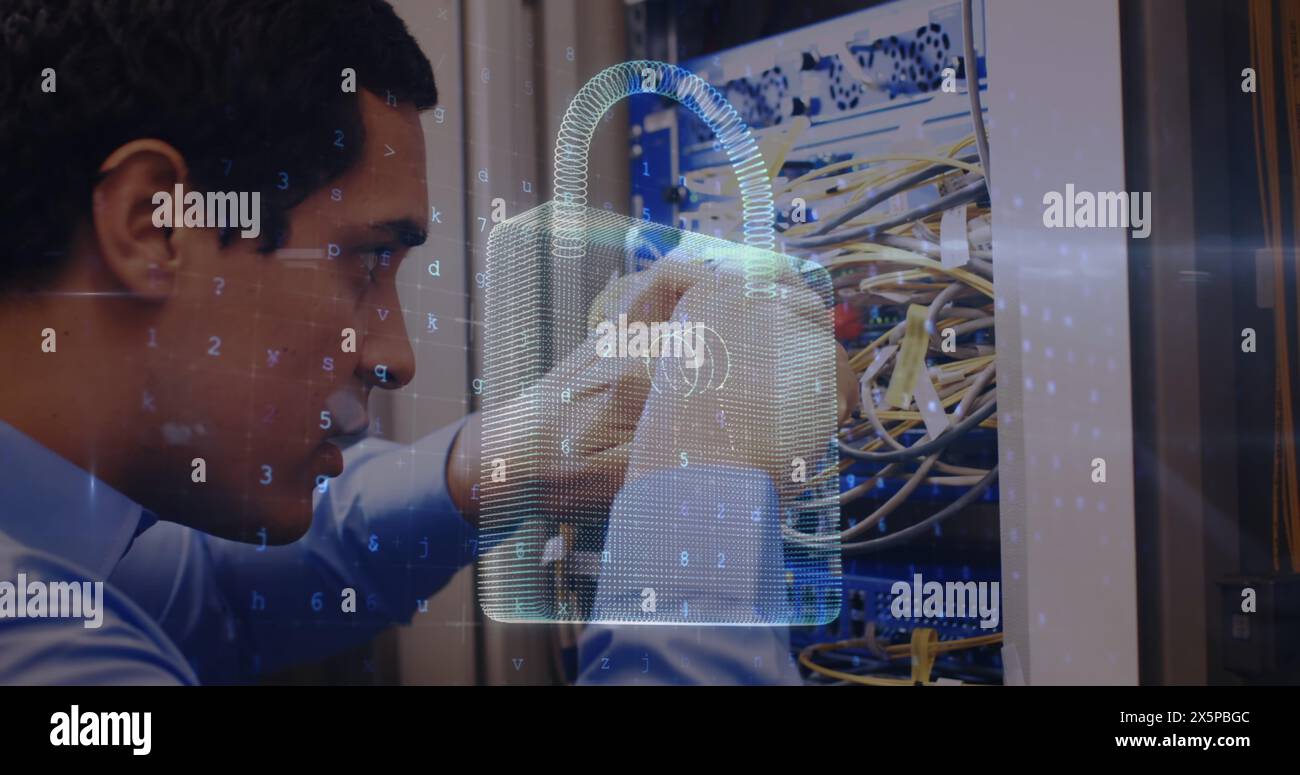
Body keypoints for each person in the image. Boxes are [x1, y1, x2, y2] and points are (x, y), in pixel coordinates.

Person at [0, 0, 832, 685]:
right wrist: (704, 475)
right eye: (366, 260)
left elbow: (213, 595)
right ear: (155, 224)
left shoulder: (63, 550)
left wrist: (508, 455)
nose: (395, 357)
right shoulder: (42, 656)